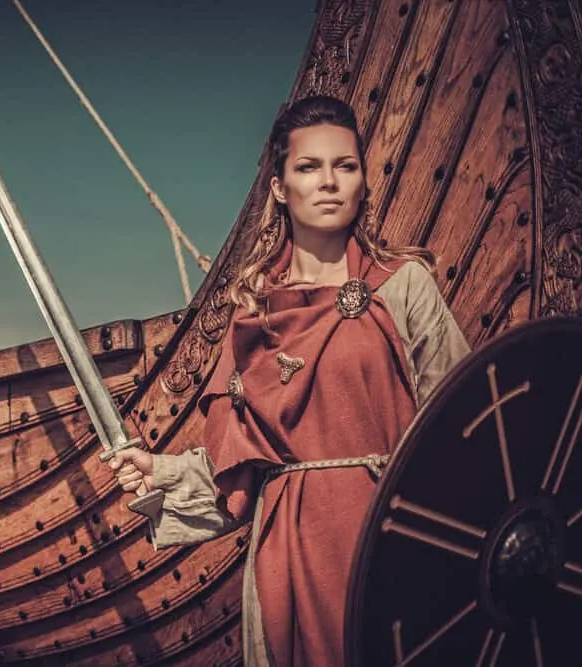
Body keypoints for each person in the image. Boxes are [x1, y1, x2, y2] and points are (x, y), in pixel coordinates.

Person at [110, 95, 470, 667]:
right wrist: (165, 470)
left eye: (344, 166)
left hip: (391, 539)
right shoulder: (254, 315)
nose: (329, 182)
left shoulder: (403, 287)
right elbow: (245, 461)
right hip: (289, 553)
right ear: (280, 188)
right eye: (309, 167)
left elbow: (464, 430)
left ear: (360, 179)